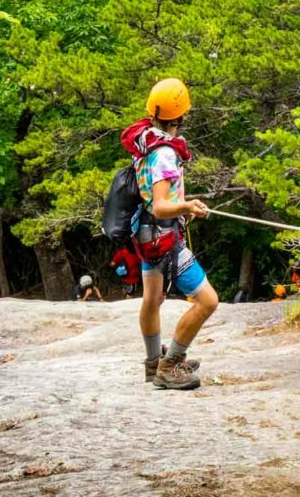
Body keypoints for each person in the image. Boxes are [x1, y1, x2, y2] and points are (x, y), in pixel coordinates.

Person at [123, 77, 216, 390]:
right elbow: (163, 205)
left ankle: (153, 364)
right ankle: (171, 363)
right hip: (162, 236)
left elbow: (154, 201)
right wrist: (187, 205)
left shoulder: (146, 142)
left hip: (147, 234)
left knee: (153, 298)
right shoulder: (163, 153)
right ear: (180, 115)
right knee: (207, 301)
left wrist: (184, 207)